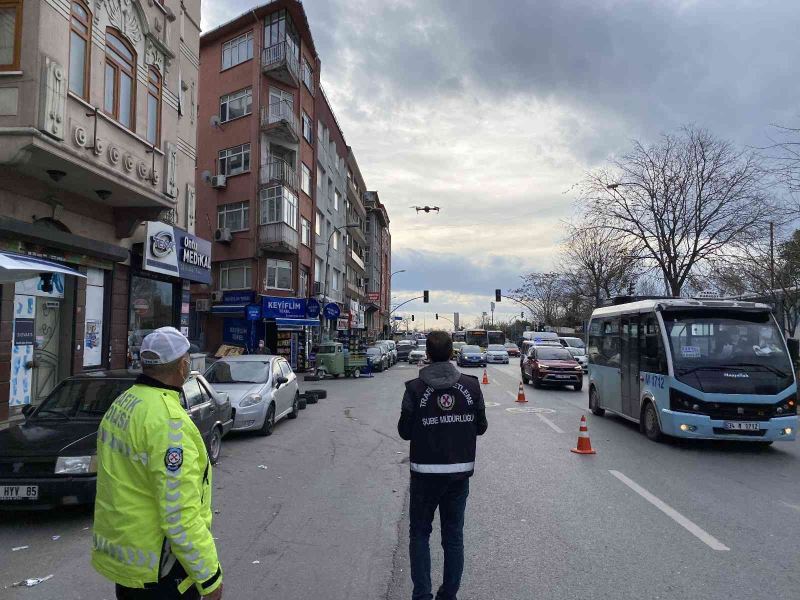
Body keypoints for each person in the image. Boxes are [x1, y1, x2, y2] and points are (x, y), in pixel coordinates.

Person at [92, 327, 223, 599]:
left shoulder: (123, 402)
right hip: (162, 572)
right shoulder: (169, 423)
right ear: (183, 366)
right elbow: (180, 515)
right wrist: (209, 577)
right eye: (187, 359)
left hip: (129, 566)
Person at [398, 331, 488, 600]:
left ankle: (422, 595)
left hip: (425, 477)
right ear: (452, 354)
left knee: (420, 535)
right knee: (453, 537)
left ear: (427, 354)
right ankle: (448, 594)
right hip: (458, 476)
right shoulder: (471, 387)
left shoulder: (414, 389)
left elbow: (405, 431)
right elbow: (481, 427)